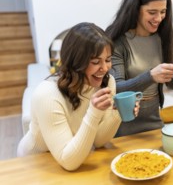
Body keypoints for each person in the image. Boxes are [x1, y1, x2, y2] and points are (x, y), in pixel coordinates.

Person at [17, 22, 139, 171]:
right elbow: (68, 162)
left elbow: (99, 140)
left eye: (108, 60)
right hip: (35, 164)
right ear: (76, 62)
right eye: (96, 62)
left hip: (75, 157)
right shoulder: (47, 94)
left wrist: (117, 112)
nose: (105, 68)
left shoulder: (107, 82)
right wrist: (93, 112)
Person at [105, 0, 173, 137]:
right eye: (152, 12)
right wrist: (151, 76)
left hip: (154, 124)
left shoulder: (162, 37)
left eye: (163, 12)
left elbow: (169, 83)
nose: (159, 18)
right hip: (121, 128)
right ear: (135, 9)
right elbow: (115, 89)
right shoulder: (117, 42)